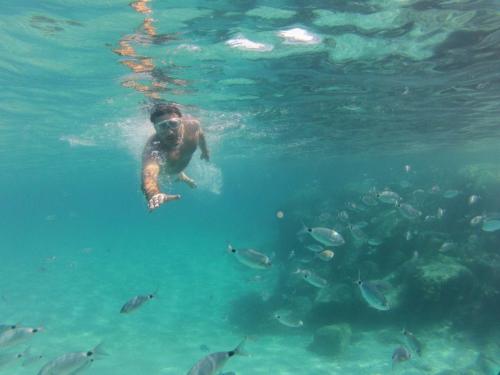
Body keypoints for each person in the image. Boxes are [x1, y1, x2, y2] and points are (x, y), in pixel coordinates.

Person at [142, 103, 210, 211]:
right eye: (162, 126)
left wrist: (205, 150)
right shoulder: (153, 148)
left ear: (181, 122)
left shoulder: (193, 126)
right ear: (155, 129)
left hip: (177, 166)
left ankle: (181, 175)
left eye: (173, 124)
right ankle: (181, 175)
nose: (169, 132)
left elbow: (200, 135)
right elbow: (148, 174)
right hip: (167, 171)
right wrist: (154, 194)